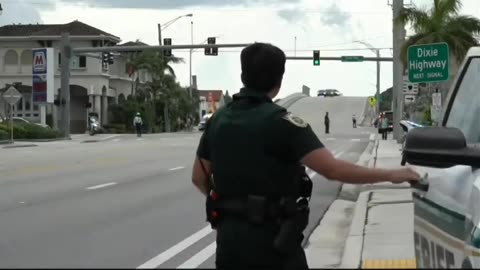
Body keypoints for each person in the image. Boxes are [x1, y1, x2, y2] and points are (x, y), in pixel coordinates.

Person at [191, 42, 419, 270]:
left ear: (243, 75)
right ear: (279, 82)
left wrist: (230, 203)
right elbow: (333, 170)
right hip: (274, 243)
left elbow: (198, 178)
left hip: (229, 243)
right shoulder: (283, 122)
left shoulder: (218, 120)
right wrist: (393, 174)